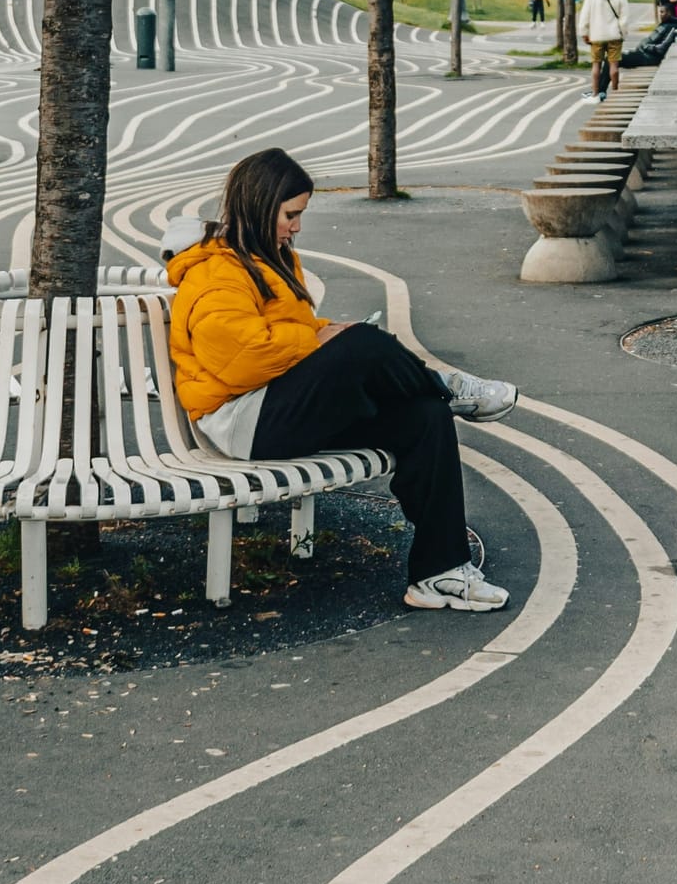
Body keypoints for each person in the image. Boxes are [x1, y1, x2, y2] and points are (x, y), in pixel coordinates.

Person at [166, 149, 518, 611]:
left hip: (279, 404)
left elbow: (282, 336)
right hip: (243, 419)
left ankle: (440, 571)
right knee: (363, 345)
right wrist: (324, 338)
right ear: (258, 205)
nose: (297, 226)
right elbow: (244, 357)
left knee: (423, 415)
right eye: (291, 214)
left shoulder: (270, 258)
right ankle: (445, 385)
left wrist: (325, 334)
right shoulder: (216, 271)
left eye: (300, 215)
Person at [578, 0, 630, 98]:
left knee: (596, 64)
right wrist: (623, 34)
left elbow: (585, 15)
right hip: (614, 35)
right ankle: (615, 92)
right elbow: (624, 19)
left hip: (597, 35)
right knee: (614, 65)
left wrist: (584, 32)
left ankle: (595, 93)